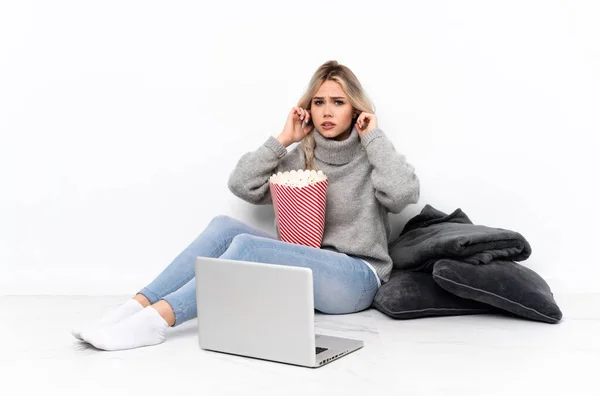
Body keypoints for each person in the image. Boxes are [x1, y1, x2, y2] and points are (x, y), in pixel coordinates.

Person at [71, 60, 420, 351]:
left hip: (357, 278)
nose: (327, 111)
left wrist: (373, 136)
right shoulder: (302, 157)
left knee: (249, 247)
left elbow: (403, 193)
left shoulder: (371, 156)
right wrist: (285, 139)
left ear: (356, 108)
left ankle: (156, 321)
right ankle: (133, 307)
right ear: (308, 108)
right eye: (318, 102)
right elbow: (242, 184)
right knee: (224, 228)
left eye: (338, 102)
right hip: (303, 275)